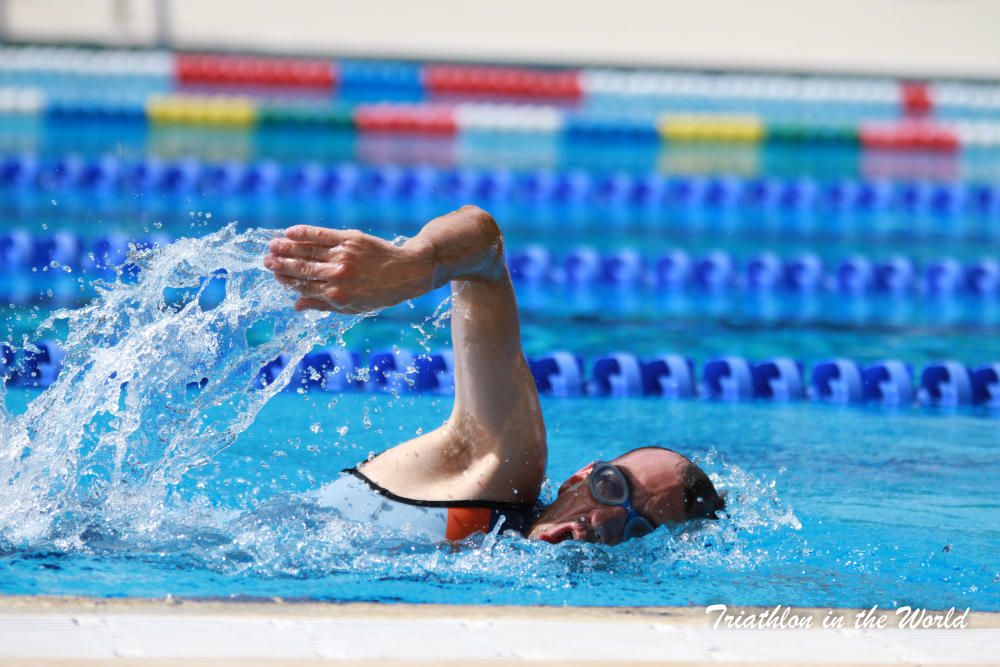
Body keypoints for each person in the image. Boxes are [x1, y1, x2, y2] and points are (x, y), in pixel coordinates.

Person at [263, 205, 725, 545]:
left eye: (636, 526)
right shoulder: (495, 470)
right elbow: (484, 248)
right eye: (611, 488)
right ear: (577, 479)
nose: (602, 521)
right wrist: (414, 263)